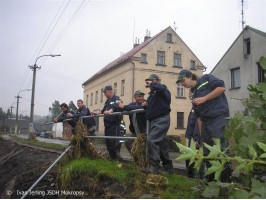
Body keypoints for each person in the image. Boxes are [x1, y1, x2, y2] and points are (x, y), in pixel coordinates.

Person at [176, 69, 232, 182]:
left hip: (219, 118)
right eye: (180, 83)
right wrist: (201, 136)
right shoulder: (194, 94)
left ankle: (226, 184)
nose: (182, 84)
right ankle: (210, 182)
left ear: (190, 76)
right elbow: (198, 117)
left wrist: (204, 98)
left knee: (221, 150)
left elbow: (221, 88)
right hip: (206, 123)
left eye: (182, 81)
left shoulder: (206, 79)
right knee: (207, 152)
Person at [141, 74, 173, 175]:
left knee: (152, 140)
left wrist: (153, 83)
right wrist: (145, 105)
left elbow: (162, 88)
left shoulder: (163, 90)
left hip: (162, 119)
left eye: (152, 81)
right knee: (161, 144)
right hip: (153, 120)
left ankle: (154, 166)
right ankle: (168, 168)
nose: (149, 84)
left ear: (157, 81)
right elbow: (151, 108)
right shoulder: (152, 95)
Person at [93, 85, 123, 161]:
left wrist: (109, 111)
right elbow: (103, 111)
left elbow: (115, 107)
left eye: (105, 93)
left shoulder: (116, 98)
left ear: (109, 92)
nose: (104, 95)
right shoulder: (107, 101)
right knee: (108, 142)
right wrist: (97, 113)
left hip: (114, 124)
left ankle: (117, 159)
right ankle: (112, 158)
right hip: (107, 125)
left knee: (114, 141)